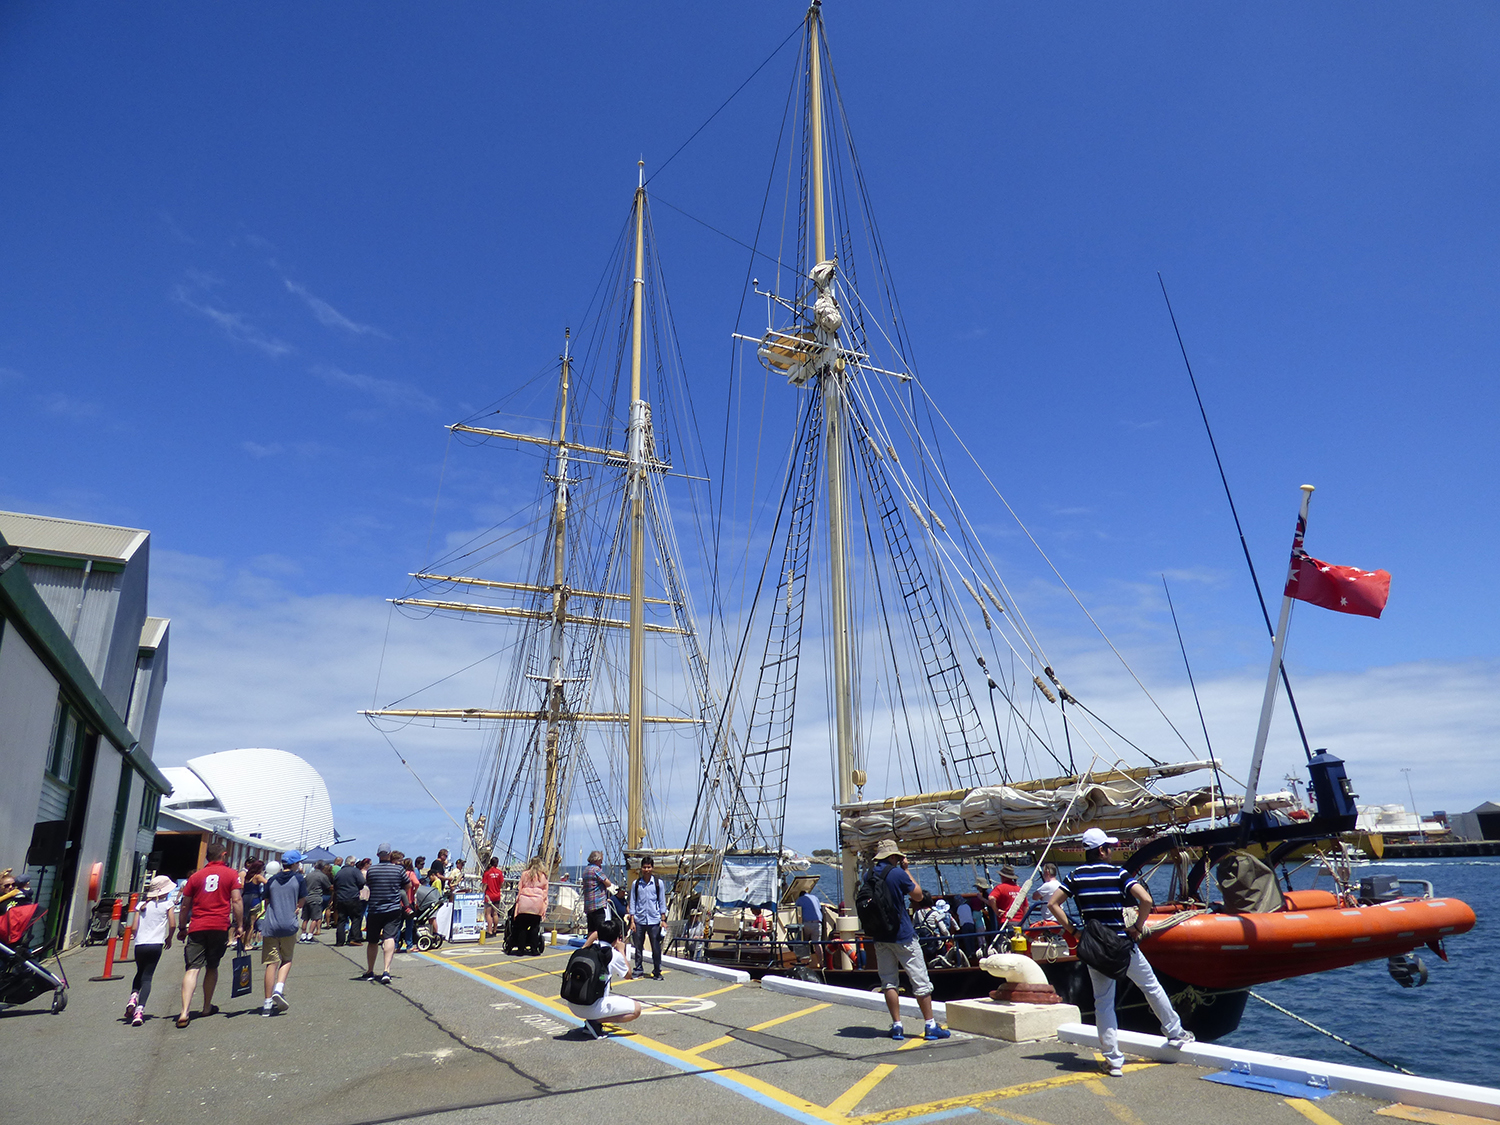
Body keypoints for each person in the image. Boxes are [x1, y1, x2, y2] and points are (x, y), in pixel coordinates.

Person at [1047, 827, 1193, 1077]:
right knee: (1151, 986)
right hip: (1122, 944)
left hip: (1095, 947)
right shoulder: (1118, 873)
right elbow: (1145, 900)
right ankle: (1175, 1033)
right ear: (1101, 850)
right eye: (1110, 847)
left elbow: (1053, 904)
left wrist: (1074, 931)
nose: (1113, 851)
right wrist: (1137, 927)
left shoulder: (1075, 876)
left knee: (1103, 1002)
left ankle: (1113, 1061)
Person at [867, 839, 950, 1041]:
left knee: (888, 982)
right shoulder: (897, 873)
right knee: (920, 980)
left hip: (880, 936)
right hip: (902, 935)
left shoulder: (868, 874)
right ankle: (930, 1025)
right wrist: (906, 870)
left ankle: (897, 1026)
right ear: (894, 856)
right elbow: (919, 895)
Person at [175, 841, 244, 1028]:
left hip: (198, 925)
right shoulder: (231, 874)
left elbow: (185, 904)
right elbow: (236, 900)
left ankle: (184, 1011)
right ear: (223, 855)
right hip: (219, 925)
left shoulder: (196, 877)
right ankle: (206, 1006)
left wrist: (182, 927)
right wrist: (240, 925)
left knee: (192, 968)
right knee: (212, 966)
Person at [564, 915, 642, 1039]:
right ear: (617, 938)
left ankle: (592, 1022)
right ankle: (595, 1022)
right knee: (636, 1009)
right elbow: (628, 975)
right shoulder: (613, 954)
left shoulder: (587, 949)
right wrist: (621, 950)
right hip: (592, 1007)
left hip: (573, 1004)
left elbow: (587, 944)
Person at [124, 874, 175, 1026]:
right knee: (148, 977)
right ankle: (140, 1010)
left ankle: (133, 996)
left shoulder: (140, 905)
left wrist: (138, 937)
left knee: (139, 972)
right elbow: (172, 924)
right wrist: (169, 938)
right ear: (164, 891)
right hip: (156, 944)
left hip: (140, 944)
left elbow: (133, 927)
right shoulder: (168, 904)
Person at [259, 854, 307, 1015]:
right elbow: (301, 901)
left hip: (271, 924)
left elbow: (266, 901)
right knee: (286, 959)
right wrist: (297, 907)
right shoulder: (299, 879)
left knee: (271, 963)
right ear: (294, 864)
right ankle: (278, 989)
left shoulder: (272, 880)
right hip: (288, 924)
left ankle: (266, 1003)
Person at [362, 844, 409, 984]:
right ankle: (386, 970)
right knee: (389, 938)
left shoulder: (372, 870)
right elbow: (407, 885)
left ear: (378, 855)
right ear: (390, 854)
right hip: (392, 908)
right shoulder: (398, 869)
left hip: (375, 908)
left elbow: (369, 885)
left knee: (372, 941)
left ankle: (370, 970)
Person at [627, 857, 667, 980]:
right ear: (641, 868)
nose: (646, 870)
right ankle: (638, 969)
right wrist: (632, 921)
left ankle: (656, 970)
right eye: (644, 867)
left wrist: (663, 919)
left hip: (654, 920)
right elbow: (633, 901)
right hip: (639, 920)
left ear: (652, 868)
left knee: (656, 947)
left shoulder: (658, 883)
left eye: (649, 867)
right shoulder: (636, 884)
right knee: (638, 947)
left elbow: (662, 901)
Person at [510, 856, 549, 955]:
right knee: (534, 927)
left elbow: (520, 888)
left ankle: (520, 949)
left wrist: (517, 903)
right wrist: (544, 908)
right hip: (537, 904)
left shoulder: (524, 874)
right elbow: (545, 893)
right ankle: (534, 949)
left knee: (522, 927)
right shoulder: (543, 876)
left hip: (524, 903)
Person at [332, 854, 366, 946]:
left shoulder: (339, 872)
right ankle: (354, 938)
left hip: (341, 898)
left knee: (341, 920)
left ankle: (340, 941)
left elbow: (335, 885)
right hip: (353, 897)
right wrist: (357, 888)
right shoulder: (355, 871)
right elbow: (362, 882)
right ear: (352, 863)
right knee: (356, 918)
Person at [581, 850, 613, 935]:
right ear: (596, 860)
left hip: (588, 905)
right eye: (601, 860)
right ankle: (588, 945)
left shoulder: (586, 870)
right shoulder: (596, 870)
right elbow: (608, 883)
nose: (602, 862)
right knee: (600, 929)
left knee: (591, 929)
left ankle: (589, 946)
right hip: (597, 904)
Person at [301, 859, 332, 944]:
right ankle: (310, 935)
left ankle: (303, 935)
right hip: (316, 897)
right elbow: (329, 887)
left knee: (305, 918)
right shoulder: (322, 876)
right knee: (315, 918)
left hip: (307, 897)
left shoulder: (308, 875)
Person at [240, 859, 266, 950]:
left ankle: (242, 942)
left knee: (244, 923)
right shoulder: (258, 876)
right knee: (251, 924)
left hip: (245, 899)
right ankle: (247, 943)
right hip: (254, 899)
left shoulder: (247, 876)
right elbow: (267, 883)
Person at [987, 865, 1022, 930]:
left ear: (1003, 876)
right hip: (1020, 922)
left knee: (1004, 939)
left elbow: (991, 898)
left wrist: (996, 911)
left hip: (1006, 921)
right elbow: (1026, 907)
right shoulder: (1020, 889)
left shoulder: (1000, 888)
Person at [481, 857, 506, 938]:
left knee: (488, 914)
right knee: (495, 913)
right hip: (497, 895)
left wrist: (482, 893)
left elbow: (485, 884)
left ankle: (489, 931)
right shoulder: (499, 872)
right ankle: (495, 930)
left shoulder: (487, 873)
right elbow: (501, 883)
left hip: (489, 895)